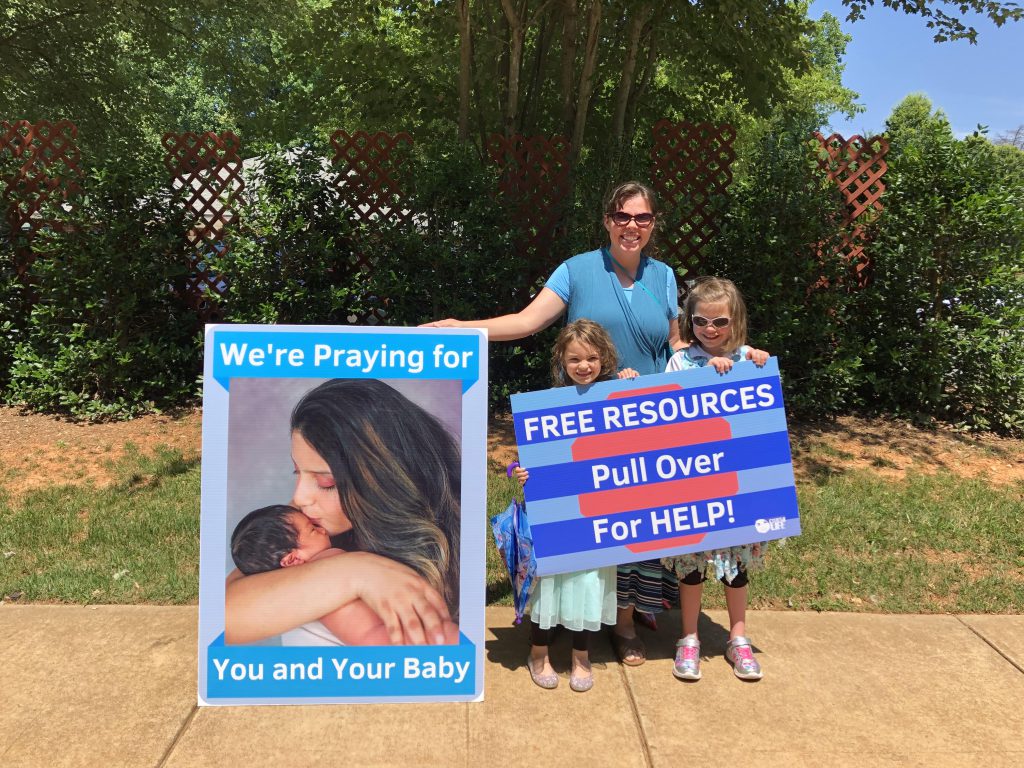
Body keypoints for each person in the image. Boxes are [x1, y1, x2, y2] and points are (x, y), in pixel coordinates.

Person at [424, 181, 683, 664]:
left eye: (642, 218)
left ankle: (623, 624)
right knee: (591, 520)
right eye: (623, 217)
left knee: (639, 526)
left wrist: (729, 359)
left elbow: (675, 346)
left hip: (649, 423)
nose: (632, 226)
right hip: (590, 420)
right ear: (607, 220)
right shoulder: (577, 270)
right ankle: (571, 617)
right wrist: (464, 328)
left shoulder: (666, 277)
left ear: (653, 224)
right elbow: (527, 322)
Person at [224, 379, 461, 647]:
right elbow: (224, 615)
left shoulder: (458, 538)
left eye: (327, 482)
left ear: (385, 482)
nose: (300, 497)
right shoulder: (303, 522)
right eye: (297, 472)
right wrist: (357, 572)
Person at [514, 320, 639, 692]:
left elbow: (640, 438)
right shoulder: (548, 405)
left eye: (592, 358)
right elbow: (534, 457)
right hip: (559, 515)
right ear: (562, 361)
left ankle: (581, 657)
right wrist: (523, 472)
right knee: (549, 584)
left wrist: (633, 387)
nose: (584, 365)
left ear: (605, 358)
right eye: (575, 359)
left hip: (602, 511)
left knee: (590, 583)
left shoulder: (619, 393)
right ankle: (538, 653)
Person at [661, 276, 770, 681]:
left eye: (719, 322)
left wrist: (751, 363)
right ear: (689, 321)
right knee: (691, 565)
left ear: (735, 320)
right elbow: (664, 412)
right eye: (701, 321)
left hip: (735, 483)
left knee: (735, 565)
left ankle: (737, 638)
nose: (710, 330)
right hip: (690, 481)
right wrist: (705, 373)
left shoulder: (749, 359)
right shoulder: (678, 362)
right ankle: (688, 637)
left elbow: (760, 414)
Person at [229, 504, 394, 645]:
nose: (322, 530)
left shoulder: (279, 603)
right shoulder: (326, 565)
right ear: (292, 559)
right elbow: (371, 637)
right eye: (313, 529)